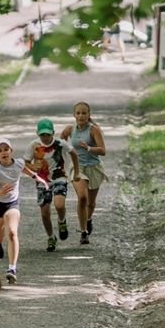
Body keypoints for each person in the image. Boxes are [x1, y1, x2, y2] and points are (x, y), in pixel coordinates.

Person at [0, 137, 30, 285]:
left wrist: (38, 178)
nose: (3, 153)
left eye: (6, 149)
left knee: (12, 232)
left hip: (12, 204)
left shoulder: (19, 162)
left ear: (11, 151)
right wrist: (1, 192)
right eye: (0, 151)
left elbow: (25, 169)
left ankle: (12, 269)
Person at [25, 119, 75, 253]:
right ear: (37, 134)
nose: (45, 137)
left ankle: (62, 221)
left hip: (59, 177)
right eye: (42, 135)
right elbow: (26, 162)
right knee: (45, 213)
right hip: (43, 180)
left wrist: (76, 170)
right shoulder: (33, 145)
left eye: (48, 134)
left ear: (53, 133)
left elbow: (73, 152)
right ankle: (51, 237)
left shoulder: (60, 143)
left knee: (59, 205)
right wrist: (34, 167)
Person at [62, 101, 107, 245]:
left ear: (89, 115)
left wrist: (88, 148)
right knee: (82, 197)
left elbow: (103, 151)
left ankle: (88, 220)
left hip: (93, 167)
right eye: (78, 113)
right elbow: (59, 145)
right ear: (74, 115)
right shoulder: (69, 130)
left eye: (84, 113)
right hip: (77, 167)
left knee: (91, 203)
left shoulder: (94, 130)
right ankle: (83, 232)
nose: (81, 116)